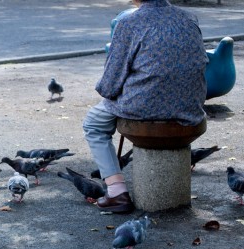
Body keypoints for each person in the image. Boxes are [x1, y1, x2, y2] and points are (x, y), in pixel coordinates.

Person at [83, 0, 208, 213]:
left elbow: (109, 85)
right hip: (191, 105)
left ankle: (116, 192)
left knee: (94, 124)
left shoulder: (129, 22)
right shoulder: (189, 18)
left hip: (144, 106)